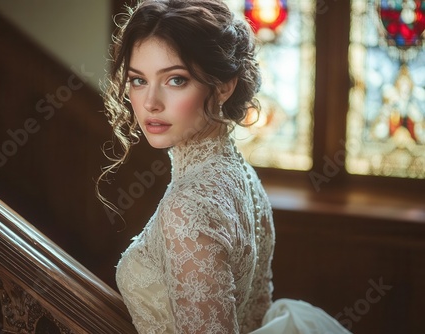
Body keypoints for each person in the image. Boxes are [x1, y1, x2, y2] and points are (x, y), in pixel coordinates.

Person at [98, 0, 352, 333]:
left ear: (223, 87)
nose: (150, 103)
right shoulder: (241, 174)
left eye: (175, 80)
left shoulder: (187, 208)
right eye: (138, 80)